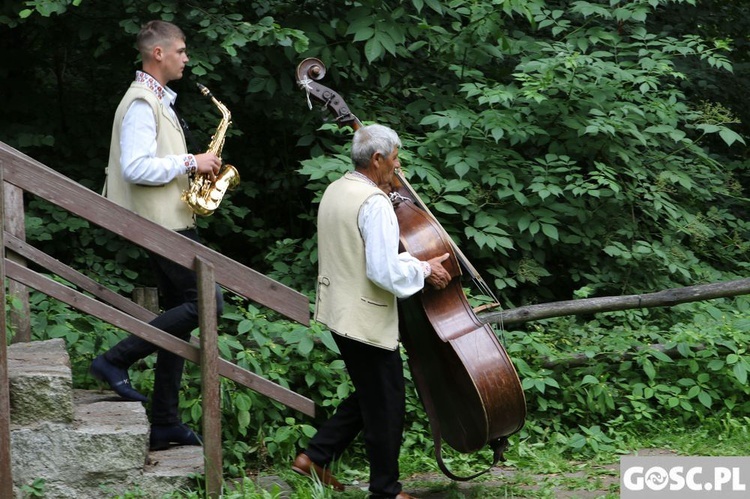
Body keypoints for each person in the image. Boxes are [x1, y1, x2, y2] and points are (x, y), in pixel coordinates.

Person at [292, 124, 451, 499]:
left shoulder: (337, 190)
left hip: (338, 311)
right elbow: (383, 272)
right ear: (377, 159)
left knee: (371, 394)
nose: (398, 167)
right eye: (395, 159)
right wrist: (425, 268)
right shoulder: (374, 203)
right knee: (386, 403)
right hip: (365, 316)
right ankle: (386, 491)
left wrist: (409, 261)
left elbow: (361, 254)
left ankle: (314, 457)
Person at [91, 19, 224, 451]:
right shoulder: (141, 104)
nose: (187, 58)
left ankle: (165, 421)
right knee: (208, 303)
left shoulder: (157, 102)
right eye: (182, 50)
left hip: (170, 222)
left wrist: (197, 166)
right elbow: (136, 167)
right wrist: (191, 162)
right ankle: (115, 360)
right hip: (160, 226)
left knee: (180, 316)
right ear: (159, 54)